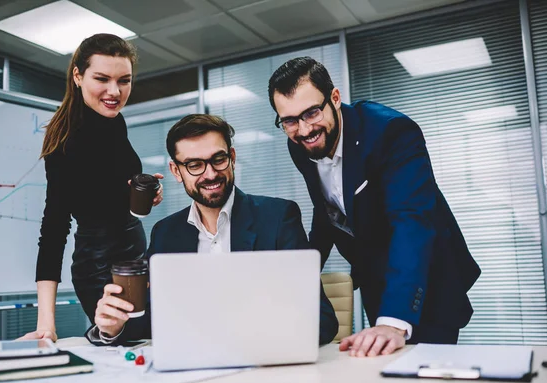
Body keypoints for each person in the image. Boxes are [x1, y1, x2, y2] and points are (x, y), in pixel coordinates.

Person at [267, 56, 481, 357]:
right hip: (375, 279)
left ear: (335, 99)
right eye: (289, 120)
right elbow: (326, 208)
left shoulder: (390, 132)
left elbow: (412, 221)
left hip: (426, 279)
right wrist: (298, 272)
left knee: (428, 380)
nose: (303, 130)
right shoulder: (301, 145)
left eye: (312, 112)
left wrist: (394, 321)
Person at [87, 114, 339, 345]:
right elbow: (149, 321)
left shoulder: (277, 218)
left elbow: (322, 320)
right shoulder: (166, 234)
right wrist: (113, 326)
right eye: (194, 165)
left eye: (218, 159)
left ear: (232, 157)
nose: (210, 174)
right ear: (176, 171)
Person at [20, 34, 163, 342]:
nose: (115, 91)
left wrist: (142, 192)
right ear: (77, 75)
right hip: (98, 263)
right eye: (102, 79)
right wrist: (47, 324)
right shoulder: (66, 142)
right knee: (124, 336)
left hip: (135, 249)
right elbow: (55, 227)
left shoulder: (115, 121)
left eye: (124, 80)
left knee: (155, 337)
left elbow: (106, 189)